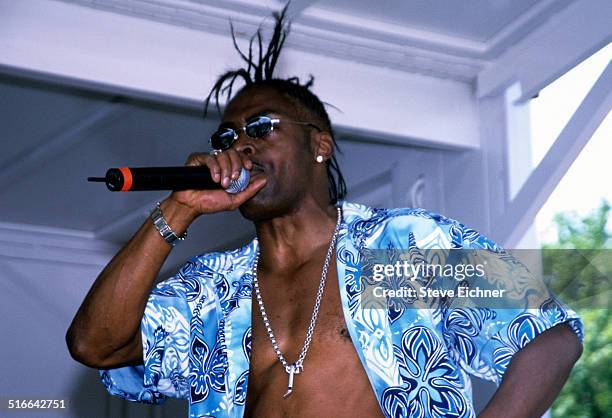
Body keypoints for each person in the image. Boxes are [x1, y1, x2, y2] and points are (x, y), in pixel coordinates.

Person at [66, 8, 584, 418]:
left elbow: (549, 337)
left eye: (262, 127)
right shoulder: (214, 291)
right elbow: (96, 345)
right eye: (228, 137)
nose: (240, 145)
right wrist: (177, 208)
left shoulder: (392, 250)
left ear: (319, 145)